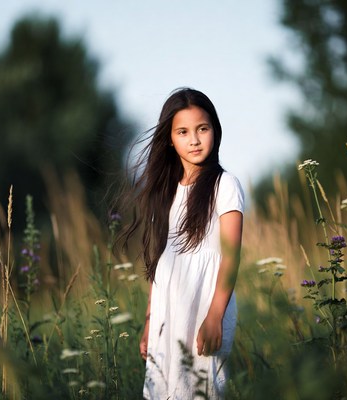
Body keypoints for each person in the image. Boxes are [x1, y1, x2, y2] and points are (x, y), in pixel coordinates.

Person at [119, 88, 244, 399]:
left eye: (202, 129)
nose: (195, 140)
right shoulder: (165, 192)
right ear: (170, 139)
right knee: (165, 388)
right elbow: (161, 261)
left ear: (215, 130)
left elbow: (230, 257)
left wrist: (215, 315)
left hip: (206, 304)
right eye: (183, 132)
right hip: (168, 307)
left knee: (203, 387)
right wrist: (150, 321)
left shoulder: (224, 185)